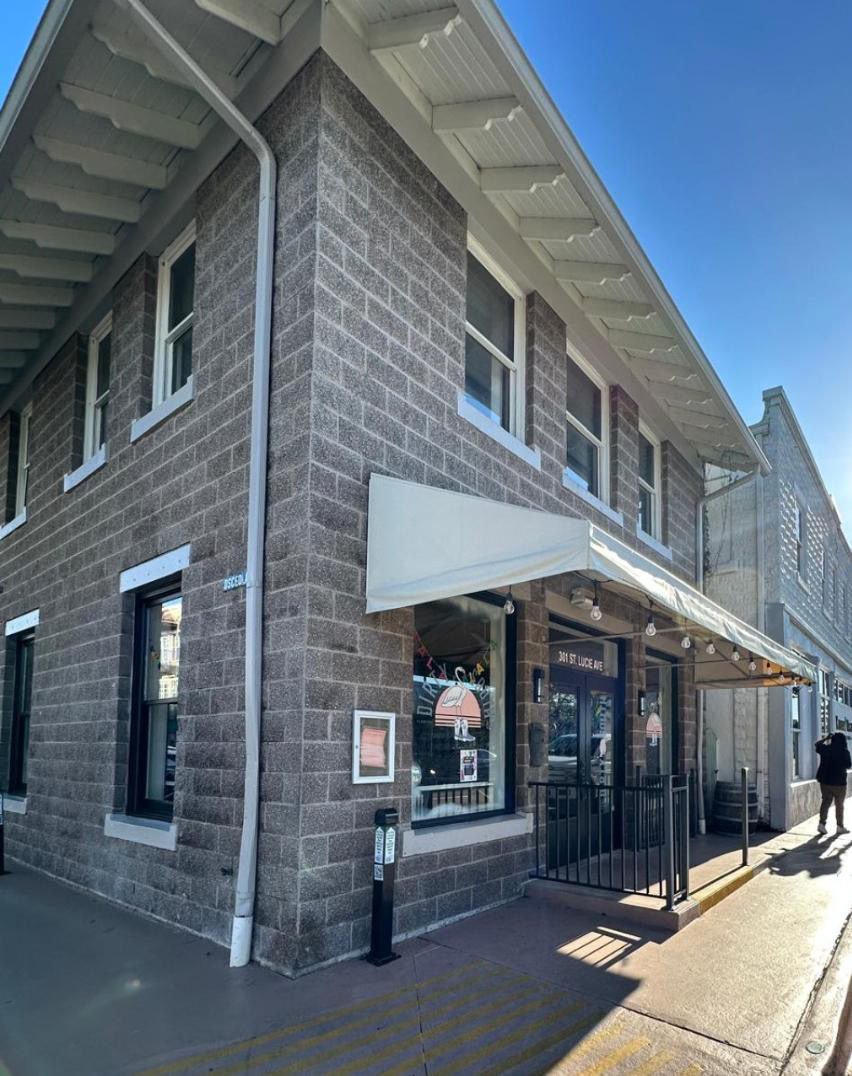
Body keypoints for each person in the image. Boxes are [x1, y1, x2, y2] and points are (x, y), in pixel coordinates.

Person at [815, 731, 851, 835]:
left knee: (825, 802)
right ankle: (840, 826)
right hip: (839, 783)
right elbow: (848, 765)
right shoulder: (844, 752)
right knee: (839, 805)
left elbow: (817, 745)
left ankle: (822, 824)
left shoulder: (825, 749)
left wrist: (826, 738)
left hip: (825, 782)